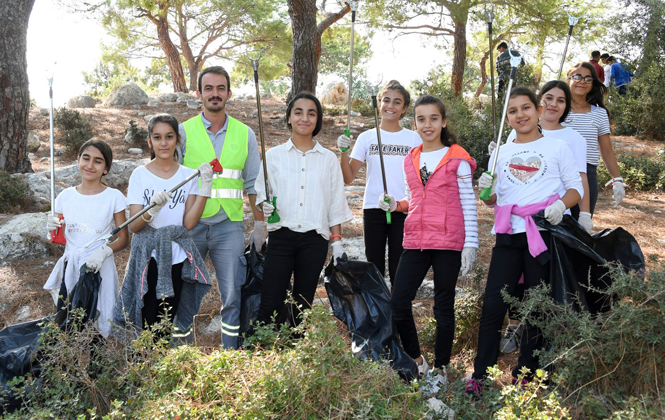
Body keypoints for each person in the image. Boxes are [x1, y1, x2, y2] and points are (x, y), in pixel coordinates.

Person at [466, 87, 583, 396]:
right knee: (493, 305)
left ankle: (527, 374)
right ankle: (481, 373)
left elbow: (575, 189)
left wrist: (560, 205)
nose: (521, 115)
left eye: (526, 107)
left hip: (542, 235)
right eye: (514, 111)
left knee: (536, 307)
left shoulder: (557, 148)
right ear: (508, 117)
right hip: (507, 235)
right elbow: (490, 200)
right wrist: (486, 188)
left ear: (537, 109)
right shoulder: (501, 152)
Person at [383, 95, 478, 383]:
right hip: (415, 241)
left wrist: (471, 244)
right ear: (415, 123)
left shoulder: (457, 158)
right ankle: (417, 360)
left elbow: (468, 204)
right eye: (421, 119)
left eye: (434, 118)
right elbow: (413, 198)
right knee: (398, 302)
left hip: (448, 242)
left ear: (443, 122)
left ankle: (441, 369)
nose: (428, 124)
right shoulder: (410, 159)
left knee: (442, 306)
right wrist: (396, 205)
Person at [494, 80, 592, 355]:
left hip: (549, 222)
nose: (553, 104)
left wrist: (579, 211)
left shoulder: (568, 140)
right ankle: (513, 327)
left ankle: (540, 354)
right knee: (510, 286)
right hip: (512, 227)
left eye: (560, 100)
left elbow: (578, 180)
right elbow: (496, 193)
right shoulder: (508, 144)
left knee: (542, 290)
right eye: (549, 97)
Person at [177, 66, 263, 349]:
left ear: (228, 92)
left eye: (221, 88)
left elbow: (252, 183)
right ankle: (181, 355)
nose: (215, 94)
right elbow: (172, 177)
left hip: (229, 225)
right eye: (209, 88)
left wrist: (261, 225)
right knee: (185, 290)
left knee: (232, 293)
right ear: (199, 93)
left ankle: (231, 354)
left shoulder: (245, 133)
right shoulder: (182, 132)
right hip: (191, 225)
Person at [253, 92, 353, 329]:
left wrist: (337, 243)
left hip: (314, 240)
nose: (304, 118)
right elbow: (260, 195)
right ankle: (265, 351)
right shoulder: (273, 156)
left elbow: (335, 203)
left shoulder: (328, 159)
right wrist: (263, 206)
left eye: (311, 113)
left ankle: (299, 351)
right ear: (289, 117)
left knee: (303, 303)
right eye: (298, 112)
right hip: (281, 236)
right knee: (270, 300)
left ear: (317, 120)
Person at [116, 114, 213, 335]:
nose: (163, 143)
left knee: (167, 319)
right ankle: (144, 364)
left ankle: (162, 364)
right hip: (148, 258)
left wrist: (204, 191)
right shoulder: (139, 175)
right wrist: (151, 211)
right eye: (157, 137)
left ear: (178, 140)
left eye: (169, 137)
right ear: (149, 141)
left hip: (176, 258)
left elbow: (188, 223)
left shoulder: (188, 176)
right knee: (146, 318)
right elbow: (134, 226)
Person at [337, 80, 421, 288]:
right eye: (386, 100)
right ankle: (378, 315)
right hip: (374, 208)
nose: (390, 106)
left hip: (404, 208)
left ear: (404, 109)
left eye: (397, 102)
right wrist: (344, 152)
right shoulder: (367, 138)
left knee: (399, 266)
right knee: (374, 268)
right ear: (379, 103)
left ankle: (398, 314)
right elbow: (348, 178)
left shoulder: (414, 139)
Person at [44, 139, 129, 337]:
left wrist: (104, 251)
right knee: (68, 326)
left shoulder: (114, 197)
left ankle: (98, 366)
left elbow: (123, 239)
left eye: (98, 161)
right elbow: (59, 237)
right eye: (86, 158)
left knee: (100, 326)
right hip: (72, 268)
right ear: (78, 160)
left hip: (100, 268)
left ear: (106, 168)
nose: (90, 165)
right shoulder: (65, 197)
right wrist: (51, 230)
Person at [563, 62, 625, 214]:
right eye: (577, 77)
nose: (582, 81)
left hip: (587, 173)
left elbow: (606, 150)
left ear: (593, 84)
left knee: (580, 230)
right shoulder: (556, 110)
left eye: (588, 78)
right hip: (556, 172)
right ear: (568, 80)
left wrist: (617, 180)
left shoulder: (599, 113)